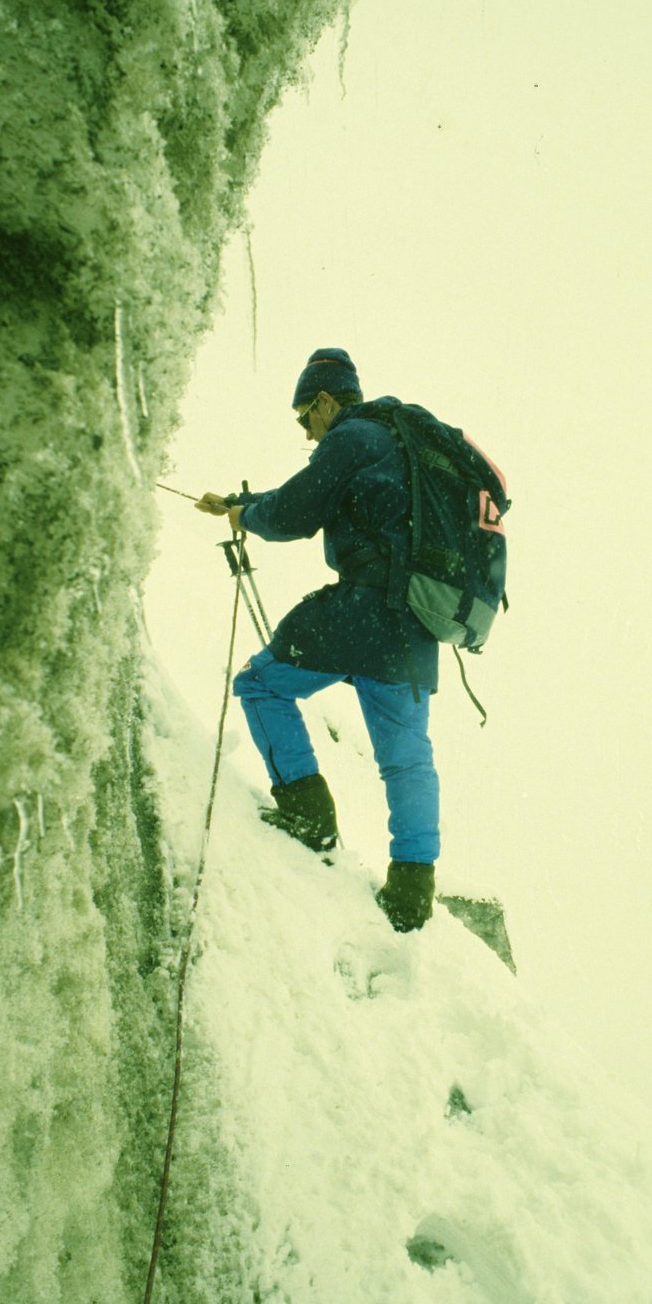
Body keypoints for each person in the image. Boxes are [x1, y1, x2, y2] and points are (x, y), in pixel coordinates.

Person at [196, 348, 441, 933]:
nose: (306, 431)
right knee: (407, 758)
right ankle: (411, 893)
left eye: (304, 416)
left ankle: (310, 818)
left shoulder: (351, 437)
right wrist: (240, 504)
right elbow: (302, 495)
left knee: (259, 686)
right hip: (415, 626)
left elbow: (295, 512)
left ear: (327, 401)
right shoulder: (400, 441)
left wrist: (244, 516)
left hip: (360, 607)